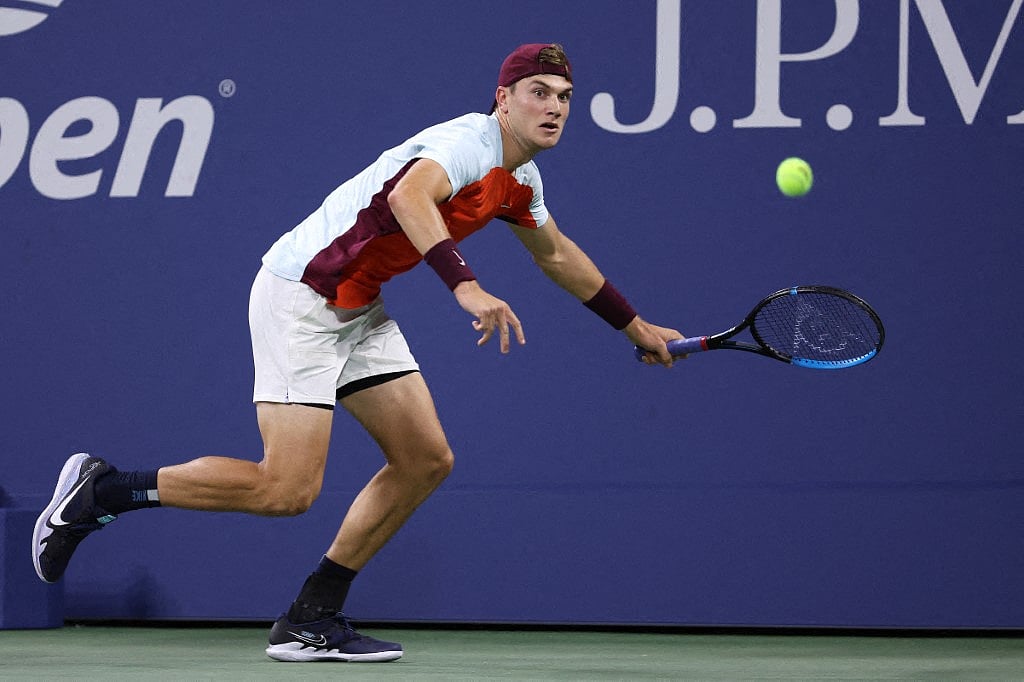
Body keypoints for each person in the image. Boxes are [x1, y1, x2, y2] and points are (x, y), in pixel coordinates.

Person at [32, 43, 682, 663]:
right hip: (303, 294)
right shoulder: (465, 144)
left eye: (565, 96)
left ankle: (312, 616)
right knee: (285, 490)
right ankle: (105, 490)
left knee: (424, 459)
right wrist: (465, 284)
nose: (555, 107)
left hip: (357, 307)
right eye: (539, 92)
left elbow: (559, 255)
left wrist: (633, 326)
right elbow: (408, 198)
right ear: (503, 99)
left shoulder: (521, 181)